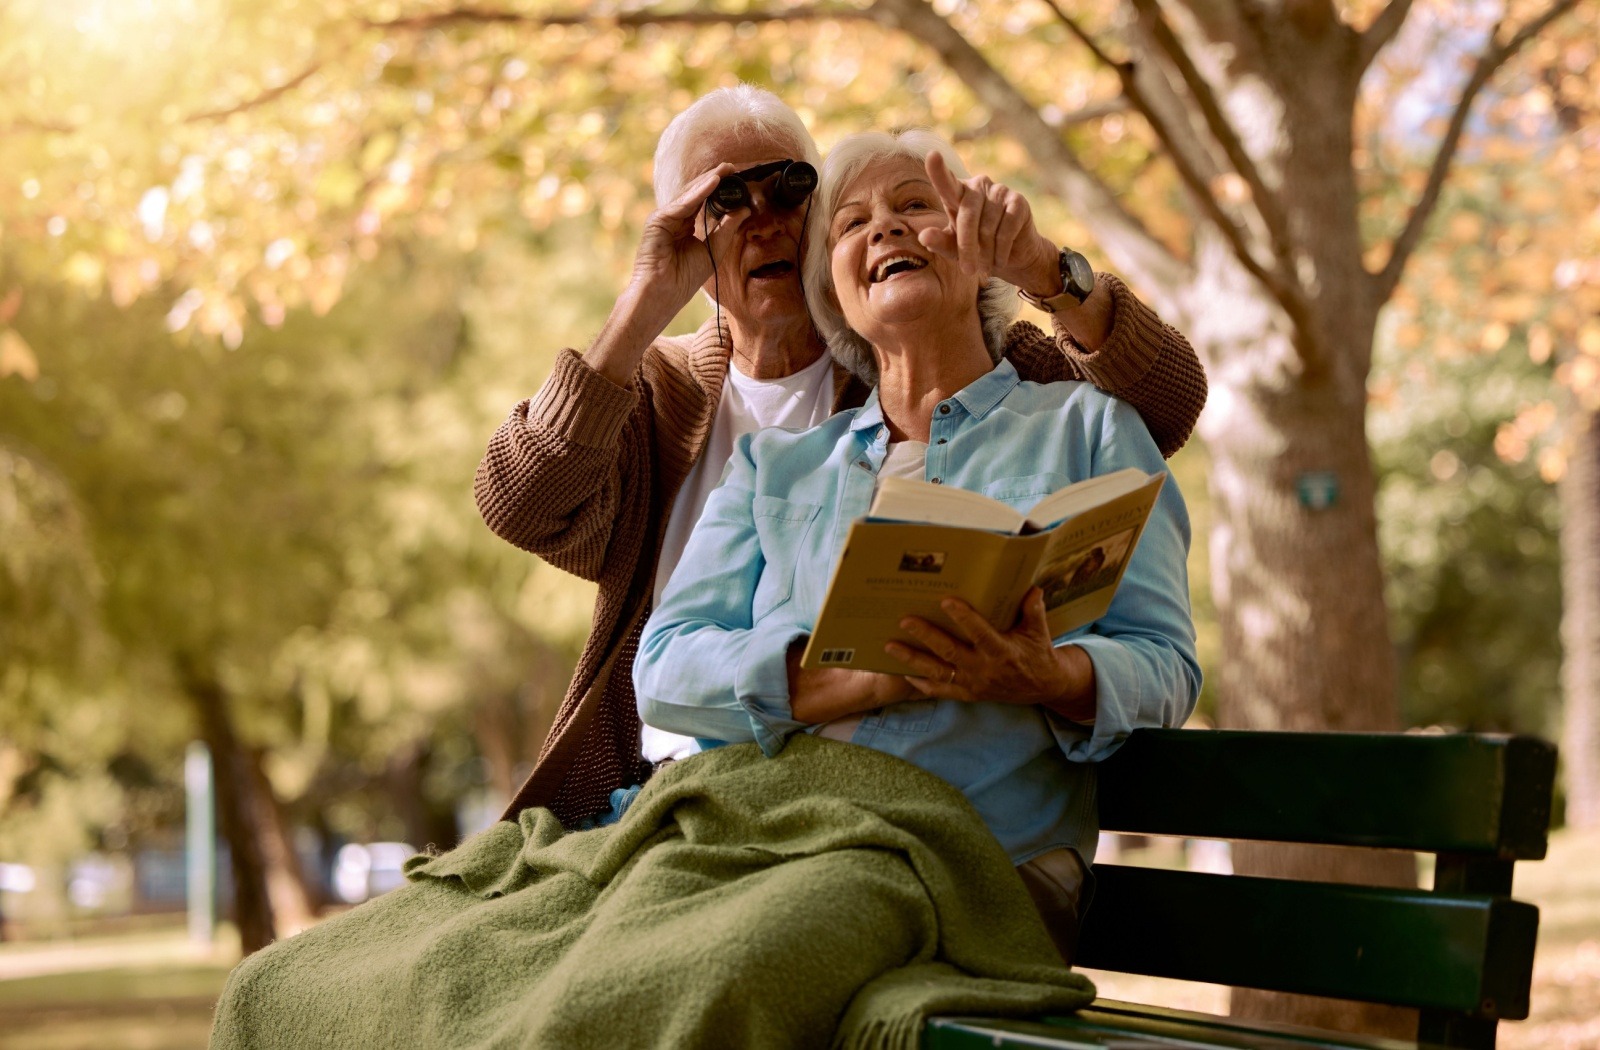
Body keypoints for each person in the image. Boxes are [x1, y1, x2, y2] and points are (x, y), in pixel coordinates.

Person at [475, 85, 1208, 830]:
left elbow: (1163, 406)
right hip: (671, 787)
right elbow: (522, 505)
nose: (764, 218)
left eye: (791, 186)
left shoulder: (970, 361)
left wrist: (1044, 270)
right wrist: (643, 302)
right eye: (726, 198)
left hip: (892, 819)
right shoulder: (679, 407)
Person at [633, 129, 1202, 962]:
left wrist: (1051, 678)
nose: (886, 230)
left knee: (735, 951)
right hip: (773, 837)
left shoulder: (1088, 430)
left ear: (978, 256)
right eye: (852, 223)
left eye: (914, 207)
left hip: (980, 863)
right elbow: (666, 665)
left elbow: (1167, 665)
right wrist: (839, 678)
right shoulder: (775, 467)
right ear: (833, 288)